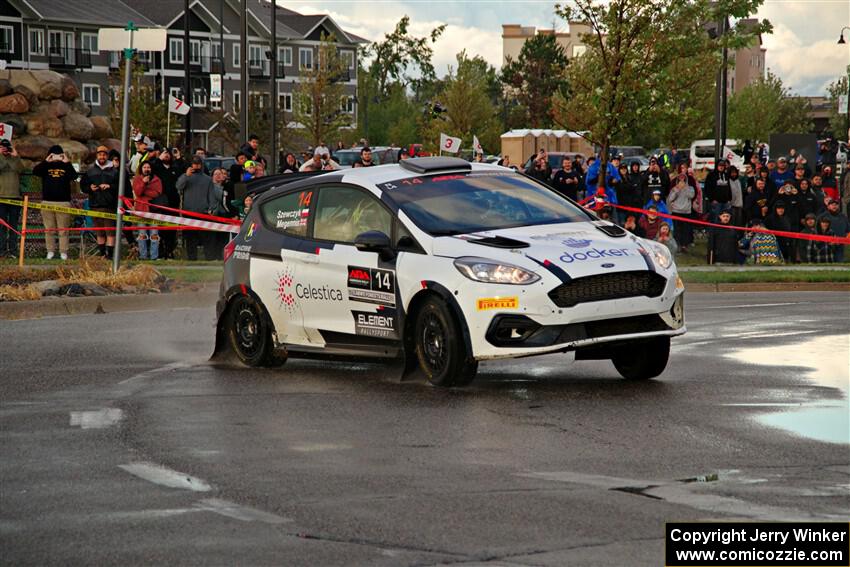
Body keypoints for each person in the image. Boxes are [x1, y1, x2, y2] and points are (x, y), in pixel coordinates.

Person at [32, 145, 79, 260]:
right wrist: (46, 161)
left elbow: (75, 176)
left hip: (63, 202)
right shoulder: (45, 167)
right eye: (54, 154)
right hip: (47, 202)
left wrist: (67, 162)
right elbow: (35, 171)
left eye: (59, 154)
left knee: (63, 230)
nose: (56, 157)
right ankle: (50, 251)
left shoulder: (66, 166)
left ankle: (63, 252)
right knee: (49, 229)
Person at [80, 146, 119, 258]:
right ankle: (102, 255)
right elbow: (83, 186)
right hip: (95, 206)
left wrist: (109, 186)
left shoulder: (115, 171)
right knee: (99, 233)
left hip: (109, 206)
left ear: (107, 156)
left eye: (104, 154)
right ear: (97, 155)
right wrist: (89, 188)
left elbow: (120, 187)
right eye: (100, 154)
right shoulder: (90, 171)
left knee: (110, 233)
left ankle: (110, 256)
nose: (102, 156)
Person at [176, 156, 218, 260]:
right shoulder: (186, 177)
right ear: (191, 165)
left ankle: (209, 259)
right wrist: (186, 176)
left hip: (204, 214)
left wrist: (212, 209)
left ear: (201, 164)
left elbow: (211, 196)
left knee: (207, 240)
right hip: (188, 213)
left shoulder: (208, 179)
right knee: (190, 240)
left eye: (198, 163)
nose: (196, 165)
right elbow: (178, 186)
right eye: (194, 163)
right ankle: (192, 259)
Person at [151, 148, 181, 259]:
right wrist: (159, 159)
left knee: (172, 230)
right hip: (160, 203)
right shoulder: (157, 167)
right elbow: (150, 168)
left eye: (168, 153)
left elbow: (183, 170)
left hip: (173, 203)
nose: (167, 155)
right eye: (165, 153)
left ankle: (170, 251)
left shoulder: (175, 168)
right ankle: (161, 251)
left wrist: (178, 158)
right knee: (160, 229)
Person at [131, 161, 164, 260]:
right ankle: (143, 256)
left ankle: (154, 256)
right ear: (141, 169)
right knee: (142, 235)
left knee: (154, 235)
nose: (146, 169)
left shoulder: (157, 179)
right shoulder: (137, 179)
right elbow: (138, 192)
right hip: (141, 210)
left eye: (148, 167)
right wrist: (144, 183)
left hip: (154, 211)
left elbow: (157, 193)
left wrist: (144, 192)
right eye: (144, 167)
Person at [0, 139, 24, 258]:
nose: (5, 149)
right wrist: (1, 155)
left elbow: (20, 169)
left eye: (6, 147)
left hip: (15, 197)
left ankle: (13, 250)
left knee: (14, 225)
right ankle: (2, 250)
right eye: (2, 147)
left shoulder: (14, 158)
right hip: (1, 198)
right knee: (2, 226)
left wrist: (15, 156)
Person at [667, 173, 695, 252]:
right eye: (680, 180)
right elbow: (670, 199)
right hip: (676, 211)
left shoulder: (690, 188)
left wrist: (685, 188)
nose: (682, 181)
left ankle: (684, 245)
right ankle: (677, 245)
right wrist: (677, 190)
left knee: (685, 230)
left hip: (686, 212)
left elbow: (691, 196)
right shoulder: (674, 189)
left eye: (683, 180)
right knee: (677, 230)